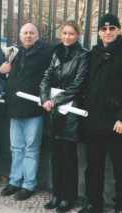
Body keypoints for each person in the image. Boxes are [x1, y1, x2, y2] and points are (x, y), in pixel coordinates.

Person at [78, 14, 122, 213]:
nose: (108, 32)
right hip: (95, 119)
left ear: (119, 30)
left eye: (112, 29)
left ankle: (121, 208)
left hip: (118, 121)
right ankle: (93, 204)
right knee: (93, 167)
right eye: (104, 29)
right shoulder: (96, 52)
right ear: (99, 32)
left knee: (121, 169)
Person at [0, 23, 53, 201]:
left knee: (31, 149)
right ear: (20, 36)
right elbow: (4, 73)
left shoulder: (45, 53)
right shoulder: (16, 53)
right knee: (16, 148)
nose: (28, 36)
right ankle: (15, 181)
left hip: (34, 108)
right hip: (15, 108)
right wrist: (0, 71)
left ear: (37, 35)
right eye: (25, 33)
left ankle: (29, 184)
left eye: (31, 33)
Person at [40, 21, 89, 212]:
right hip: (54, 111)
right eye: (65, 33)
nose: (67, 36)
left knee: (69, 157)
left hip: (71, 112)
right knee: (55, 156)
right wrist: (45, 98)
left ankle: (68, 197)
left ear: (77, 35)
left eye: (71, 33)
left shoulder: (83, 55)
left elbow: (78, 84)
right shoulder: (56, 53)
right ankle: (56, 194)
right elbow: (46, 77)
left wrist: (56, 100)